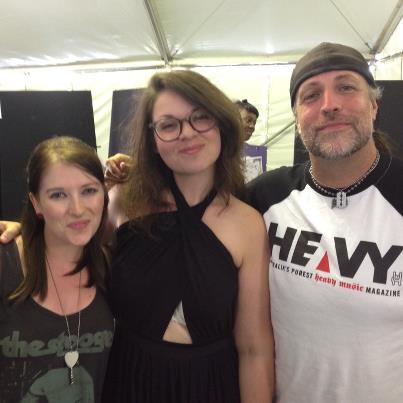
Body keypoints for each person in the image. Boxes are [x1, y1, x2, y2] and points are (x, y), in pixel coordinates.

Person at [102, 70, 274, 402]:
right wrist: (22, 234)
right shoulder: (123, 202)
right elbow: (68, 261)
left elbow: (254, 349)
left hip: (210, 386)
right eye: (169, 125)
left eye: (201, 118)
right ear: (152, 139)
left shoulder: (247, 224)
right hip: (128, 379)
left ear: (221, 124)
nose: (188, 133)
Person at [248, 42, 403, 402]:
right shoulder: (264, 196)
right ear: (296, 119)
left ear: (374, 106)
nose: (329, 104)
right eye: (311, 95)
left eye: (346, 87)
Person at [0, 136, 114, 403]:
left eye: (89, 190)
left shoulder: (110, 264)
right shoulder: (6, 262)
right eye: (58, 195)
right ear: (36, 203)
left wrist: (127, 169)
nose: (77, 209)